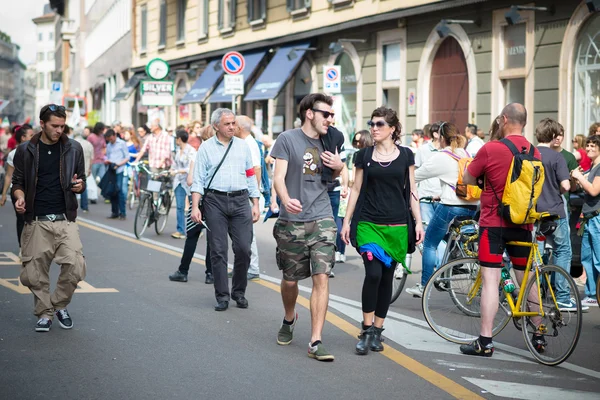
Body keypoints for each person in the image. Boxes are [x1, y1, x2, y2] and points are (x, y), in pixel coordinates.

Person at [460, 103, 544, 356]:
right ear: (525, 122)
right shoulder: (534, 151)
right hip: (523, 223)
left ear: (504, 119)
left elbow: (466, 179)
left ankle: (485, 341)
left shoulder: (491, 148)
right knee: (527, 279)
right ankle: (539, 335)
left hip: (494, 224)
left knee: (490, 281)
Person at [341, 107, 424, 355]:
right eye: (372, 124)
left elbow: (412, 190)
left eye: (379, 124)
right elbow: (355, 189)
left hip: (397, 226)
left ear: (393, 129)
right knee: (374, 274)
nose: (373, 128)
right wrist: (346, 222)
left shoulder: (407, 155)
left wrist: (418, 222)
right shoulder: (364, 155)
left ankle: (378, 330)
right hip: (368, 224)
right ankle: (366, 330)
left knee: (387, 278)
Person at [271, 93, 344, 361]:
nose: (331, 119)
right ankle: (289, 318)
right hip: (292, 221)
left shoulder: (332, 140)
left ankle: (315, 340)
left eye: (332, 115)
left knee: (321, 277)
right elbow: (278, 177)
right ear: (310, 113)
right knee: (290, 280)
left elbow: (336, 175)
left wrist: (339, 167)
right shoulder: (287, 139)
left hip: (322, 216)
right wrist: (285, 198)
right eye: (326, 114)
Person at [11, 104, 87, 332]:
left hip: (65, 218)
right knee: (34, 273)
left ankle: (58, 305)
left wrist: (79, 186)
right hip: (36, 220)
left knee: (75, 266)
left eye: (62, 126)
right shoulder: (25, 150)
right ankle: (45, 313)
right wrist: (19, 197)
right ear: (42, 124)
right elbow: (18, 182)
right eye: (55, 126)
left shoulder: (74, 148)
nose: (59, 130)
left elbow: (81, 179)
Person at [190, 108, 260, 311]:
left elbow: (249, 176)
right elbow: (198, 180)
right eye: (227, 124)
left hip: (240, 201)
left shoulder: (243, 146)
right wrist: (195, 206)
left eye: (233, 123)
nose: (232, 127)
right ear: (216, 127)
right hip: (214, 201)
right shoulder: (205, 148)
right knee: (219, 251)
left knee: (244, 249)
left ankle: (239, 291)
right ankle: (222, 296)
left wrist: (255, 203)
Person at [406, 122, 477, 298]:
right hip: (472, 207)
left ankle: (424, 286)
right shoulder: (465, 154)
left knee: (430, 242)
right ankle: (449, 268)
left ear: (441, 137)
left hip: (451, 208)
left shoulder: (442, 157)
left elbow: (415, 176)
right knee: (451, 237)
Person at [535, 119, 587, 312]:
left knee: (537, 254)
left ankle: (535, 295)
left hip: (533, 212)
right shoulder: (557, 157)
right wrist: (572, 179)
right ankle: (562, 297)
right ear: (552, 136)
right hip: (554, 212)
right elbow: (566, 187)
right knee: (562, 251)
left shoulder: (528, 154)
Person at [169, 126, 215, 285]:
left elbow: (190, 180)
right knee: (212, 239)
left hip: (200, 200)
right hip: (217, 202)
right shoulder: (223, 152)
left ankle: (183, 271)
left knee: (192, 236)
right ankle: (210, 273)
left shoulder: (201, 152)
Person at [571, 135, 600, 308]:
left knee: (598, 258)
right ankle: (591, 294)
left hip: (597, 217)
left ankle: (596, 293)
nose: (588, 149)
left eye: (593, 146)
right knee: (587, 258)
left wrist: (579, 177)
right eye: (587, 146)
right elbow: (584, 188)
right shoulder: (594, 167)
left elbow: (594, 190)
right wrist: (578, 178)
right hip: (589, 218)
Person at [235, 115, 263, 280]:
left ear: (239, 128)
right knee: (242, 233)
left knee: (246, 234)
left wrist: (254, 197)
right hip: (246, 193)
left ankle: (252, 267)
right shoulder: (246, 143)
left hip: (247, 194)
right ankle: (245, 267)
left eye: (234, 124)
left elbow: (256, 169)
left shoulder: (248, 144)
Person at [1, 125, 34, 249]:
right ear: (23, 137)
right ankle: (22, 247)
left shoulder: (37, 151)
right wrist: (4, 195)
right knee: (21, 219)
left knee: (34, 219)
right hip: (18, 191)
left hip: (34, 191)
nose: (34, 137)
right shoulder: (13, 154)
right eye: (31, 135)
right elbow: (9, 176)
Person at [170, 130, 196, 239]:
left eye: (176, 138)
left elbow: (191, 167)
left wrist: (177, 171)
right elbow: (175, 164)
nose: (175, 140)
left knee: (193, 206)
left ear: (179, 139)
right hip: (179, 182)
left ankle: (195, 229)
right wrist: (172, 169)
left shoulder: (191, 151)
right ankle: (180, 230)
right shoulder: (177, 150)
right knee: (180, 207)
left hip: (190, 181)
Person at [104, 129, 129, 220]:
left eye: (111, 138)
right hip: (111, 169)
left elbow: (127, 157)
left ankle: (123, 213)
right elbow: (108, 156)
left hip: (119, 169)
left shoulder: (121, 143)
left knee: (119, 191)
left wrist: (118, 164)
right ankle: (114, 212)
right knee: (112, 191)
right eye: (108, 139)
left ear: (114, 136)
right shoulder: (109, 145)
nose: (110, 140)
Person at [74, 128, 94, 213]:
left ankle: (72, 206)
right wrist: (89, 169)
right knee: (83, 186)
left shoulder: (72, 143)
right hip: (84, 169)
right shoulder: (88, 144)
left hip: (73, 169)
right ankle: (84, 206)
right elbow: (91, 158)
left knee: (72, 186)